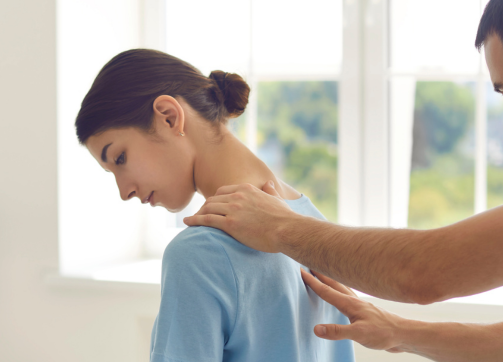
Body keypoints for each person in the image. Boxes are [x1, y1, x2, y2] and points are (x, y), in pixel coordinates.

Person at [183, 0, 503, 360]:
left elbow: (423, 271)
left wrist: (282, 228)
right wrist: (401, 333)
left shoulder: (196, 254)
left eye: (120, 157)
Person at [75, 49, 355, 362]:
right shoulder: (311, 219)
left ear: (169, 116)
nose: (123, 191)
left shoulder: (199, 253)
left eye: (120, 158)